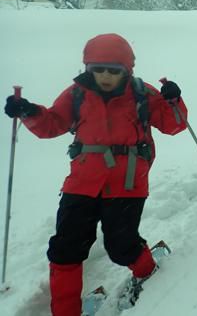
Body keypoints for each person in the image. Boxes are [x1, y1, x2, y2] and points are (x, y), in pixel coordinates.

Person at [3, 33, 187, 315]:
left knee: (121, 245)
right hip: (81, 183)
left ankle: (146, 271)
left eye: (113, 70)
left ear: (127, 70)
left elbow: (175, 125)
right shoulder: (77, 93)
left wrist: (173, 100)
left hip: (127, 184)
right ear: (87, 68)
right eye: (96, 69)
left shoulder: (142, 93)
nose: (104, 76)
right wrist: (28, 112)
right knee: (66, 249)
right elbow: (52, 124)